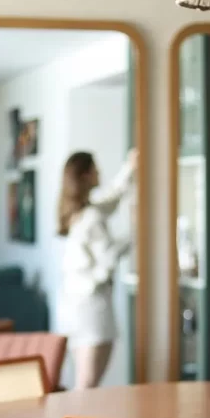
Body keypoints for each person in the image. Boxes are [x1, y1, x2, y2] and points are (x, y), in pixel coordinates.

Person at [57, 148, 137, 389]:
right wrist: (137, 230)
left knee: (83, 384)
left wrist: (130, 168)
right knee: (87, 385)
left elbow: (111, 199)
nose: (100, 172)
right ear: (85, 175)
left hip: (74, 309)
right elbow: (109, 257)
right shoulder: (90, 217)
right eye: (95, 169)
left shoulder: (76, 213)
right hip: (92, 311)